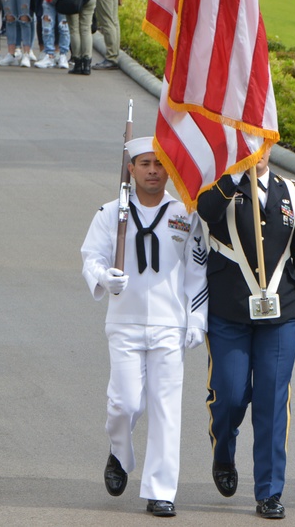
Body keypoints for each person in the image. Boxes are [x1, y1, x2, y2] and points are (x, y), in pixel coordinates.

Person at [80, 137, 209, 518]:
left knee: (166, 409)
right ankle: (119, 452)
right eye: (145, 163)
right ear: (131, 168)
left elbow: (197, 271)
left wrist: (196, 318)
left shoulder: (186, 213)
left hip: (170, 323)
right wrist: (107, 277)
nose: (153, 170)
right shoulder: (110, 212)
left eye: (159, 163)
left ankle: (161, 490)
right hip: (125, 321)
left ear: (169, 169)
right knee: (125, 402)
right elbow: (91, 257)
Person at [196, 148, 295, 520]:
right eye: (249, 144)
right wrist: (233, 176)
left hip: (282, 311)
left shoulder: (292, 192)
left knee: (272, 399)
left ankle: (269, 491)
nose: (257, 153)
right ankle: (223, 448)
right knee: (231, 395)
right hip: (230, 309)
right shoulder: (221, 187)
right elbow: (207, 212)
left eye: (263, 144)